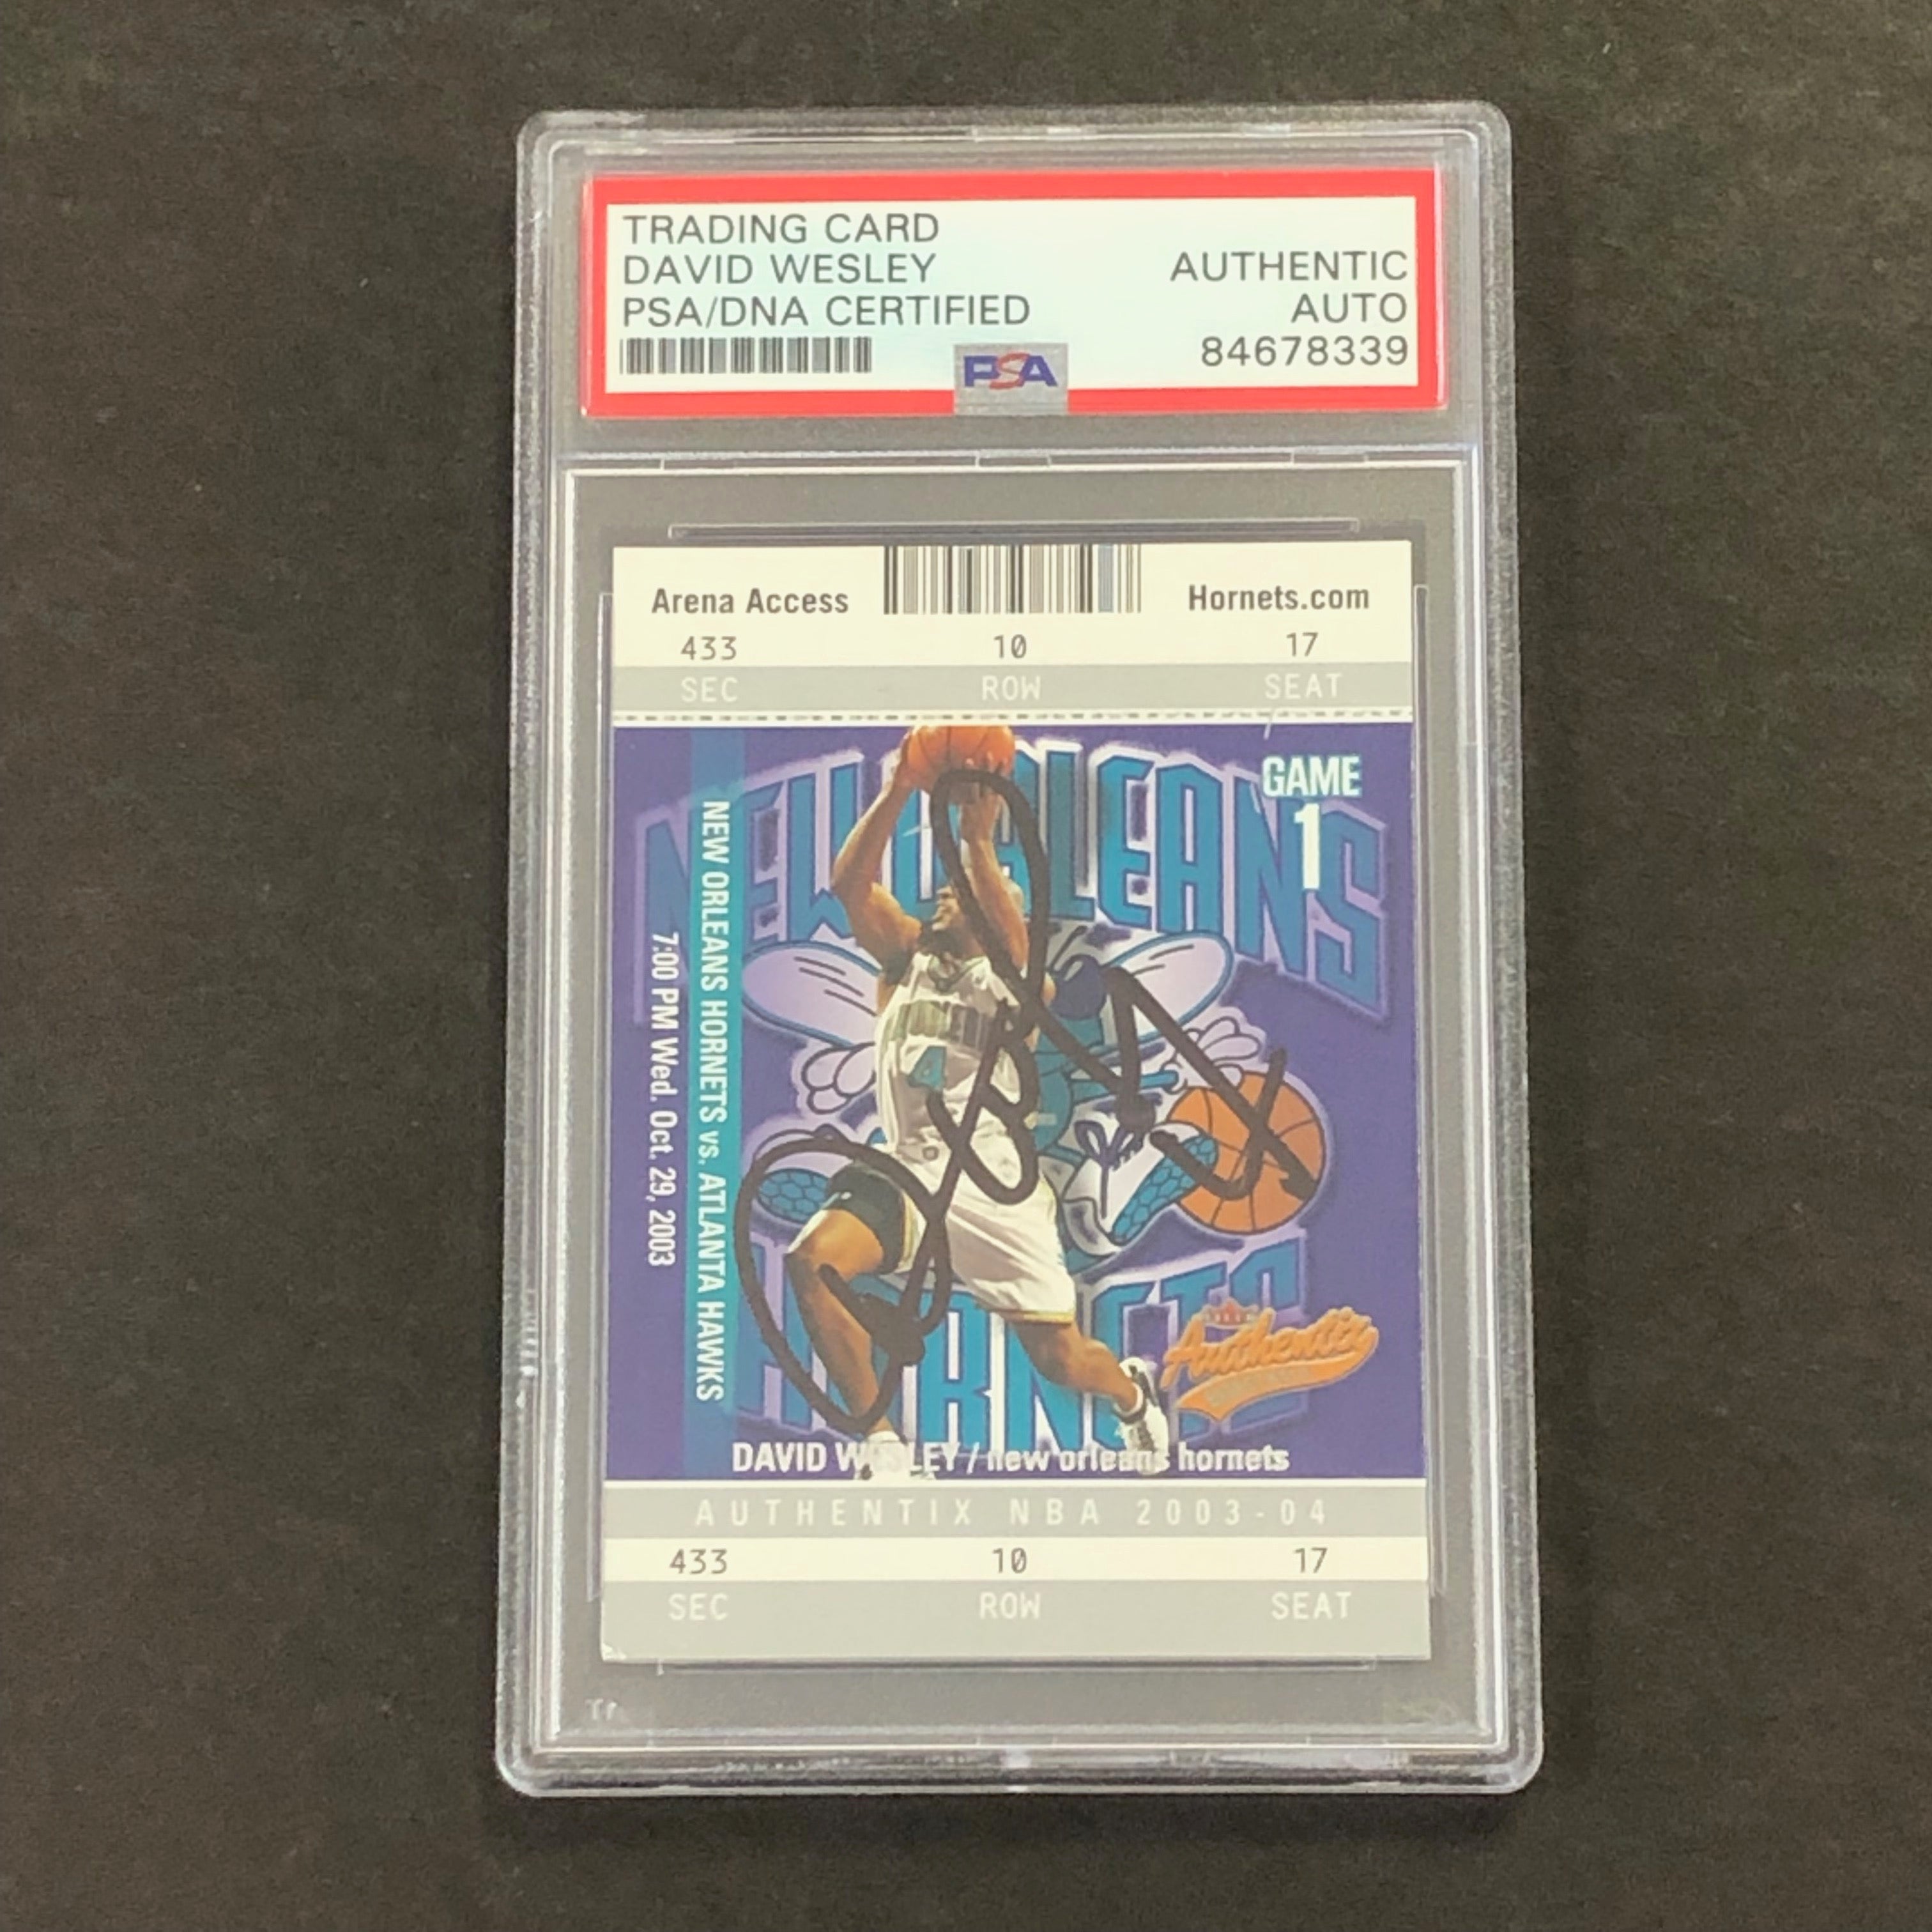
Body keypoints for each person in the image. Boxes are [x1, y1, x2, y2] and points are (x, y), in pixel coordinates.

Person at [785, 730, 1170, 1482]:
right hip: (908, 1171)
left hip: (994, 1185)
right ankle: (882, 1446)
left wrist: (978, 840)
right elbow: (851, 886)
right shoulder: (905, 963)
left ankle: (1130, 1394)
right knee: (812, 1262)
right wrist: (901, 787)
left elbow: (1016, 947)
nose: (946, 893)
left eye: (963, 892)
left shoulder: (1019, 986)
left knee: (1062, 1359)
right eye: (944, 889)